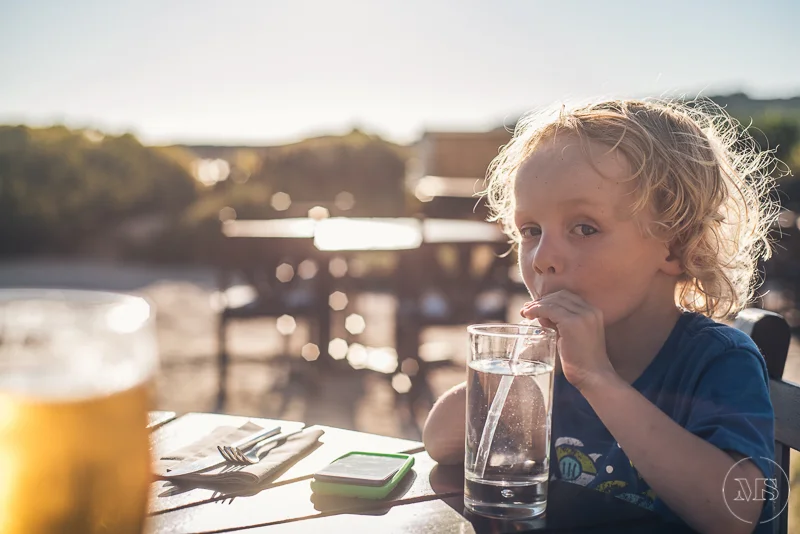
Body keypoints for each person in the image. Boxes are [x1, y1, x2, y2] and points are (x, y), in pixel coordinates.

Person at [422, 98, 783, 534]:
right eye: (531, 230)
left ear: (674, 245)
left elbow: (732, 513)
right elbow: (439, 442)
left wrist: (597, 378)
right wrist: (519, 368)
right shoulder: (547, 367)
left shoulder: (718, 360)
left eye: (584, 228)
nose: (543, 258)